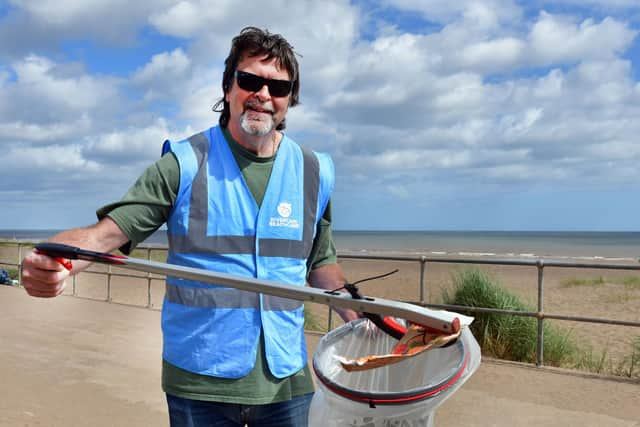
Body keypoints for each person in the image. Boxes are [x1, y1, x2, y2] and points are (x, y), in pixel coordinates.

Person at [20, 26, 359, 427]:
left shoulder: (313, 171)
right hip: (199, 383)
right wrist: (51, 262)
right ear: (228, 86)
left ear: (290, 99)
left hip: (288, 384)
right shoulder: (183, 162)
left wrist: (365, 320)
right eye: (250, 80)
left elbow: (323, 265)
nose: (263, 95)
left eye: (278, 88)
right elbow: (105, 235)